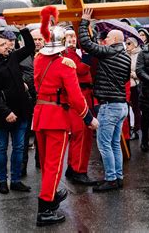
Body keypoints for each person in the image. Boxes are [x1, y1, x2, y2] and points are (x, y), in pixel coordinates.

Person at [33, 6, 98, 226]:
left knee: (45, 162)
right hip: (56, 117)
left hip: (40, 114)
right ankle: (45, 209)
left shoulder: (38, 59)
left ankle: (49, 196)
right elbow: (77, 97)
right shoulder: (65, 64)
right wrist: (89, 118)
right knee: (53, 165)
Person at [79, 8, 130, 192]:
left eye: (107, 38)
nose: (105, 40)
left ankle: (110, 179)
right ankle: (118, 177)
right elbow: (124, 79)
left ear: (115, 40)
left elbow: (86, 43)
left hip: (109, 106)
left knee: (104, 144)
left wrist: (84, 21)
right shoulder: (124, 56)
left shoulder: (109, 52)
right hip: (121, 105)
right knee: (115, 143)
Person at [0, 27, 34, 195]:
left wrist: (24, 31)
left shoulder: (12, 57)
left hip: (22, 111)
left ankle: (16, 180)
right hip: (2, 116)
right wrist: (6, 112)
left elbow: (29, 48)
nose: (7, 46)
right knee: (2, 148)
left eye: (7, 43)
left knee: (19, 147)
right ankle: (3, 181)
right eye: (3, 44)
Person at [62, 28, 98, 185]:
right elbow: (81, 69)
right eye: (68, 36)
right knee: (82, 134)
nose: (72, 39)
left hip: (85, 95)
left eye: (74, 36)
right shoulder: (67, 54)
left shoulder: (76, 52)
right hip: (79, 97)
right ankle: (79, 170)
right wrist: (88, 55)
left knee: (81, 135)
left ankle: (72, 167)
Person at [19, 28, 45, 175]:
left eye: (39, 39)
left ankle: (39, 161)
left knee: (40, 133)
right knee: (24, 133)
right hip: (26, 100)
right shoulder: (21, 56)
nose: (37, 42)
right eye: (34, 39)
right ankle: (22, 166)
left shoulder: (49, 55)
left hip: (43, 100)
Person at [126, 37, 142, 139]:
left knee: (136, 108)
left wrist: (131, 73)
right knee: (126, 108)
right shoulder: (125, 54)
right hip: (126, 85)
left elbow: (140, 72)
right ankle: (128, 128)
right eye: (126, 43)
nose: (127, 45)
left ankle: (136, 129)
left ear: (135, 44)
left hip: (136, 85)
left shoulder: (140, 55)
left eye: (129, 43)